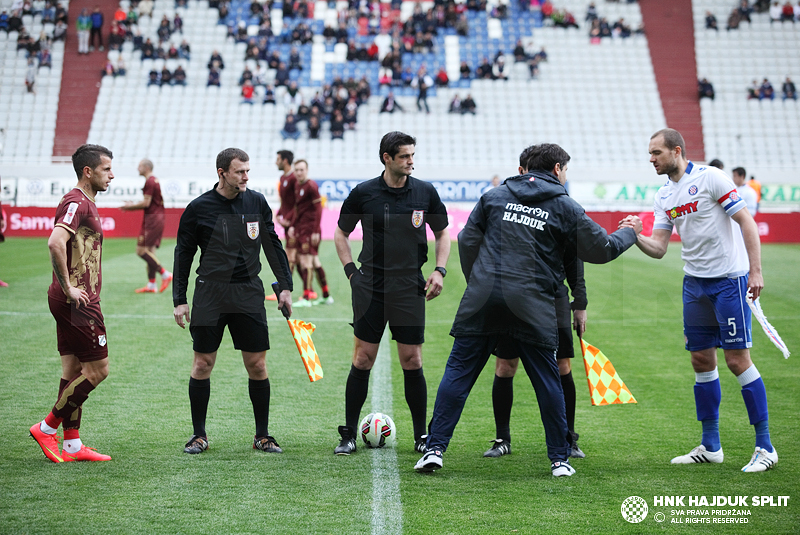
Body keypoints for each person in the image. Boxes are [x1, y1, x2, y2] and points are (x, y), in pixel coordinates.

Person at [413, 143, 639, 476]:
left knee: (458, 373)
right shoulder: (565, 206)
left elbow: (468, 239)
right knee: (548, 380)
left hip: (484, 298)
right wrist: (629, 233)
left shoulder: (494, 196)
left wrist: (482, 281)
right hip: (533, 303)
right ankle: (559, 459)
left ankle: (434, 449)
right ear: (558, 169)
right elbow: (601, 249)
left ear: (525, 169)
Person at [623, 128, 775, 472]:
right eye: (650, 153)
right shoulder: (663, 195)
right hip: (694, 285)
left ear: (677, 151)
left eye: (656, 153)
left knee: (738, 361)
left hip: (729, 281)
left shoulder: (712, 179)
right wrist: (636, 235)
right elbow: (659, 248)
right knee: (701, 362)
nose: (651, 159)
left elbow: (746, 223)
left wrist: (756, 271)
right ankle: (710, 446)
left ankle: (765, 447)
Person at [333, 131, 451, 455]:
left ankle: (421, 436)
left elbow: (443, 233)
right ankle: (348, 434)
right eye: (405, 156)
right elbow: (341, 233)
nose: (411, 161)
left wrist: (439, 270)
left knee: (412, 360)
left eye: (413, 155)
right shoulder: (364, 193)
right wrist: (350, 273)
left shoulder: (425, 192)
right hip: (370, 286)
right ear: (387, 158)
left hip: (409, 286)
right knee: (362, 358)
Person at [173, 148, 293, 455]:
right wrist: (180, 299)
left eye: (248, 171)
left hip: (248, 291)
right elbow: (183, 254)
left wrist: (285, 287)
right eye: (240, 171)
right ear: (222, 173)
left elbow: (272, 244)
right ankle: (199, 435)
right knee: (202, 364)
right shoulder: (198, 208)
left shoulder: (256, 202)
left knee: (257, 364)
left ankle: (262, 435)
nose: (246, 176)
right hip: (210, 293)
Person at [29, 144, 116, 463]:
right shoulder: (76, 201)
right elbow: (55, 241)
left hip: (71, 299)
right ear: (88, 172)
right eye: (107, 169)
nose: (112, 174)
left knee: (73, 370)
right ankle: (47, 428)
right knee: (98, 370)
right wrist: (69, 287)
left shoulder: (85, 202)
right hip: (78, 302)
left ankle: (72, 445)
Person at [120, 159, 173, 294]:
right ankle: (151, 284)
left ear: (146, 167)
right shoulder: (154, 180)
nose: (138, 169)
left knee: (141, 250)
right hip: (157, 218)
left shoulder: (150, 181)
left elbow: (146, 203)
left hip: (152, 219)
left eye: (139, 166)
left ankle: (165, 274)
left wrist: (129, 207)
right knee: (150, 251)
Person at [291, 160, 333, 306]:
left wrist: (315, 231)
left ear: (307, 170)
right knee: (315, 262)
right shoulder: (297, 185)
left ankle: (307, 297)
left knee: (305, 262)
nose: (299, 172)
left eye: (301, 169)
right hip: (302, 229)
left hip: (310, 230)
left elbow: (318, 209)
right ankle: (326, 295)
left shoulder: (311, 186)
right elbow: (298, 209)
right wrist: (293, 225)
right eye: (296, 170)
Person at [275, 150, 298, 298]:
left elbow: (298, 203)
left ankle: (285, 288)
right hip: (286, 222)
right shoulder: (283, 177)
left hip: (295, 222)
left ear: (284, 161)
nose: (275, 162)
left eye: (277, 159)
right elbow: (285, 202)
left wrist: (289, 219)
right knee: (296, 257)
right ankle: (316, 291)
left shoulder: (295, 178)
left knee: (292, 256)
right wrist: (278, 215)